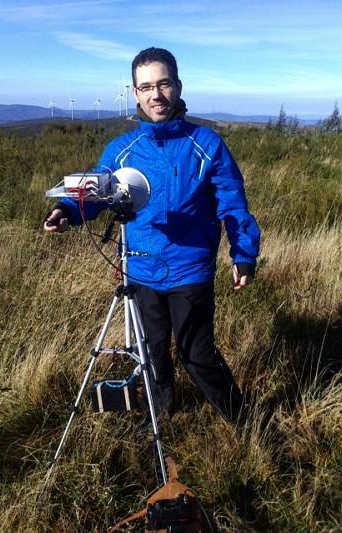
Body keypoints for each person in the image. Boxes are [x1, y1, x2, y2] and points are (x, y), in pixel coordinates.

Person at [44, 47, 260, 427]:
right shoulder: (121, 150)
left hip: (190, 269)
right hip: (140, 269)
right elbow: (96, 191)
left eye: (163, 84)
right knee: (151, 352)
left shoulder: (206, 145)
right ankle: (160, 415)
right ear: (135, 92)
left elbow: (232, 203)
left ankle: (245, 422)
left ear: (178, 86)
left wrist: (243, 255)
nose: (155, 95)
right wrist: (66, 210)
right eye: (146, 87)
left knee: (197, 355)